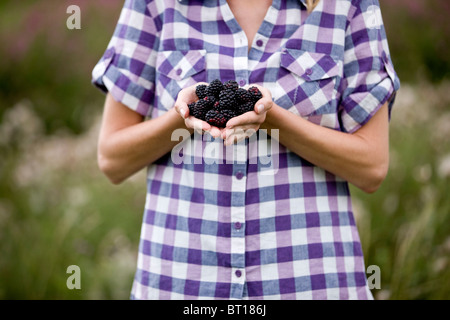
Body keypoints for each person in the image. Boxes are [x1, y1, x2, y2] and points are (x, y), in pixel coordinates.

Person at [92, 0, 400, 299]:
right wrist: (184, 118)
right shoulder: (155, 4)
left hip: (310, 283)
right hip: (181, 283)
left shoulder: (349, 5)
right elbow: (112, 159)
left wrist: (274, 120)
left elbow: (371, 167)